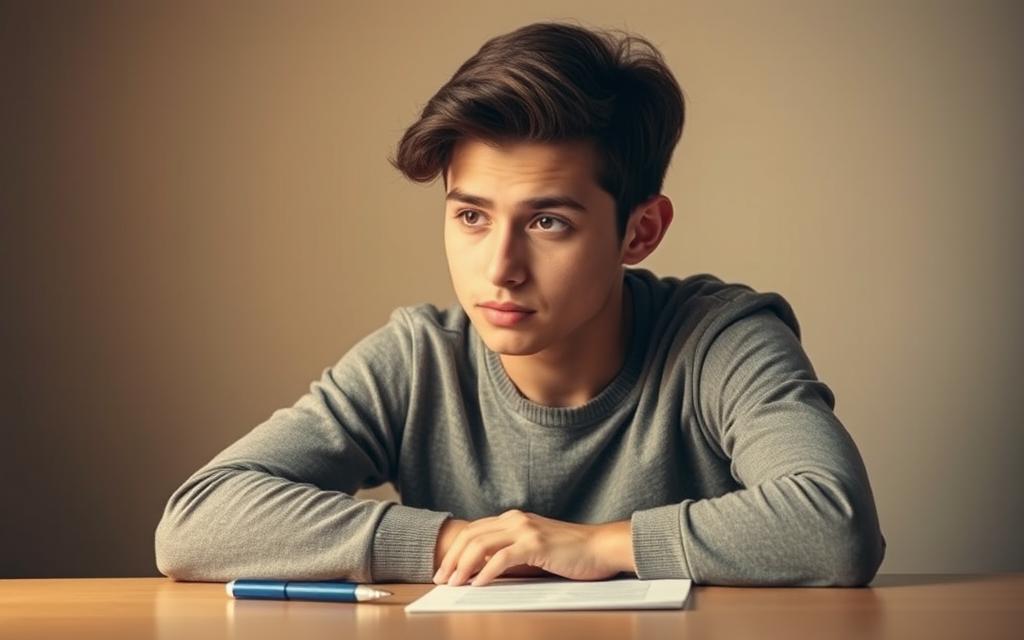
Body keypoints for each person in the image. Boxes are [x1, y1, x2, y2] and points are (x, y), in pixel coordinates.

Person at [154, 20, 885, 588]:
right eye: (470, 216)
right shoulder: (420, 359)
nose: (499, 270)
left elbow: (833, 525)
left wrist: (594, 545)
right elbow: (196, 520)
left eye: (548, 223)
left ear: (641, 231)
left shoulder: (720, 341)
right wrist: (454, 543)